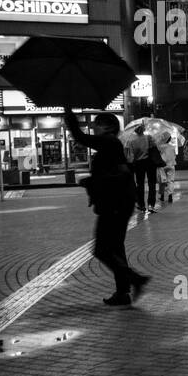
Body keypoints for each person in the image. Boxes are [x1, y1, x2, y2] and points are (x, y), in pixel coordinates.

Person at [63, 108, 149, 307]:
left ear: (109, 127)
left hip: (115, 203)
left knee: (102, 249)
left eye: (97, 124)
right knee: (116, 248)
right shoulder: (110, 145)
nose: (94, 127)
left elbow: (81, 138)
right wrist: (91, 181)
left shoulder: (109, 141)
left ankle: (135, 280)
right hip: (119, 201)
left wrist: (70, 116)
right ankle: (123, 292)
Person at [123, 124, 159, 214]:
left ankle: (141, 205)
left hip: (139, 164)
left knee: (140, 184)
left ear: (135, 131)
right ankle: (151, 205)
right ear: (144, 129)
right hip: (150, 163)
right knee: (151, 183)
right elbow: (155, 148)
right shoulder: (149, 137)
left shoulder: (132, 142)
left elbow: (131, 158)